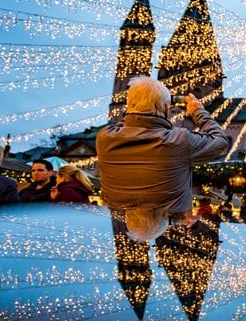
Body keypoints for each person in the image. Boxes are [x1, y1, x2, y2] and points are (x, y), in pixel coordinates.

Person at [96, 76, 228, 221]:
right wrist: (198, 111)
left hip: (120, 222)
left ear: (129, 105)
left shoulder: (104, 137)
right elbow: (221, 141)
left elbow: (128, 126)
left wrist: (138, 106)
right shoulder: (179, 140)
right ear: (166, 108)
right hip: (174, 220)